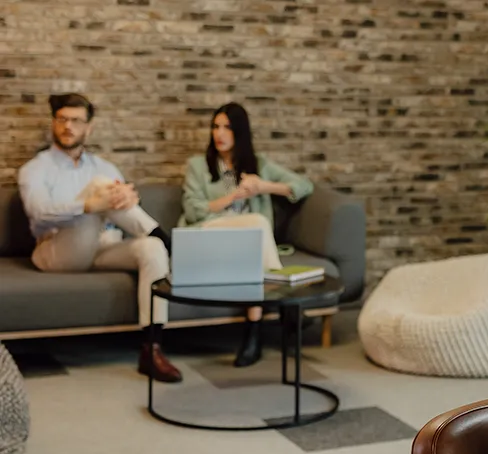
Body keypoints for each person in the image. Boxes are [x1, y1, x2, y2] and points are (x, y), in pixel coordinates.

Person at [18, 93, 181, 383]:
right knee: (100, 188)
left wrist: (128, 197)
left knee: (151, 249)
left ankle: (152, 348)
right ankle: (170, 242)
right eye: (62, 119)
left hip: (102, 247)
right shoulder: (36, 168)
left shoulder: (104, 168)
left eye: (76, 120)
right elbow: (39, 212)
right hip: (56, 251)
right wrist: (89, 206)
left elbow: (123, 205)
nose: (68, 126)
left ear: (89, 127)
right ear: (54, 123)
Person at [180, 102, 314, 367]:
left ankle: (253, 333)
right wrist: (235, 196)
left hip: (246, 244)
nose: (219, 133)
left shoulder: (259, 165)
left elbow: (304, 186)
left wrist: (263, 186)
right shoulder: (198, 166)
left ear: (240, 132)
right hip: (208, 233)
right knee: (257, 222)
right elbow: (193, 210)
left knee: (255, 236)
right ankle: (287, 304)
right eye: (215, 127)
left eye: (227, 128)